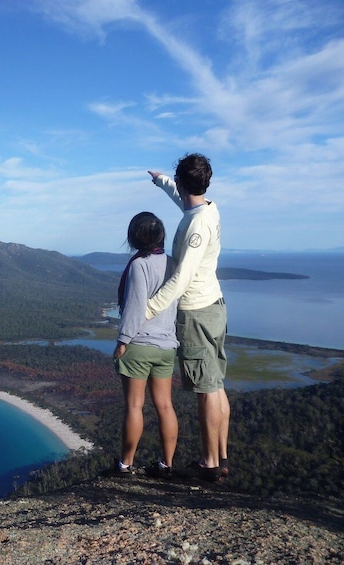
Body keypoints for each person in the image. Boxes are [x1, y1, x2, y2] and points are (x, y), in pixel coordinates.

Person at [146, 153, 229, 483]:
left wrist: (148, 309)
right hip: (214, 305)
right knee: (217, 385)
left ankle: (208, 464)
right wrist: (162, 181)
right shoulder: (207, 209)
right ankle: (221, 456)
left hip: (196, 312)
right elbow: (184, 201)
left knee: (206, 390)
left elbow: (180, 279)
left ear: (184, 183)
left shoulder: (195, 224)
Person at [111, 212, 179, 478]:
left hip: (139, 343)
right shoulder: (173, 263)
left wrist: (122, 341)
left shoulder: (140, 265)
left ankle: (126, 465)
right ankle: (167, 464)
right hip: (166, 345)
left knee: (134, 405)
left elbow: (135, 306)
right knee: (165, 405)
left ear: (133, 237)